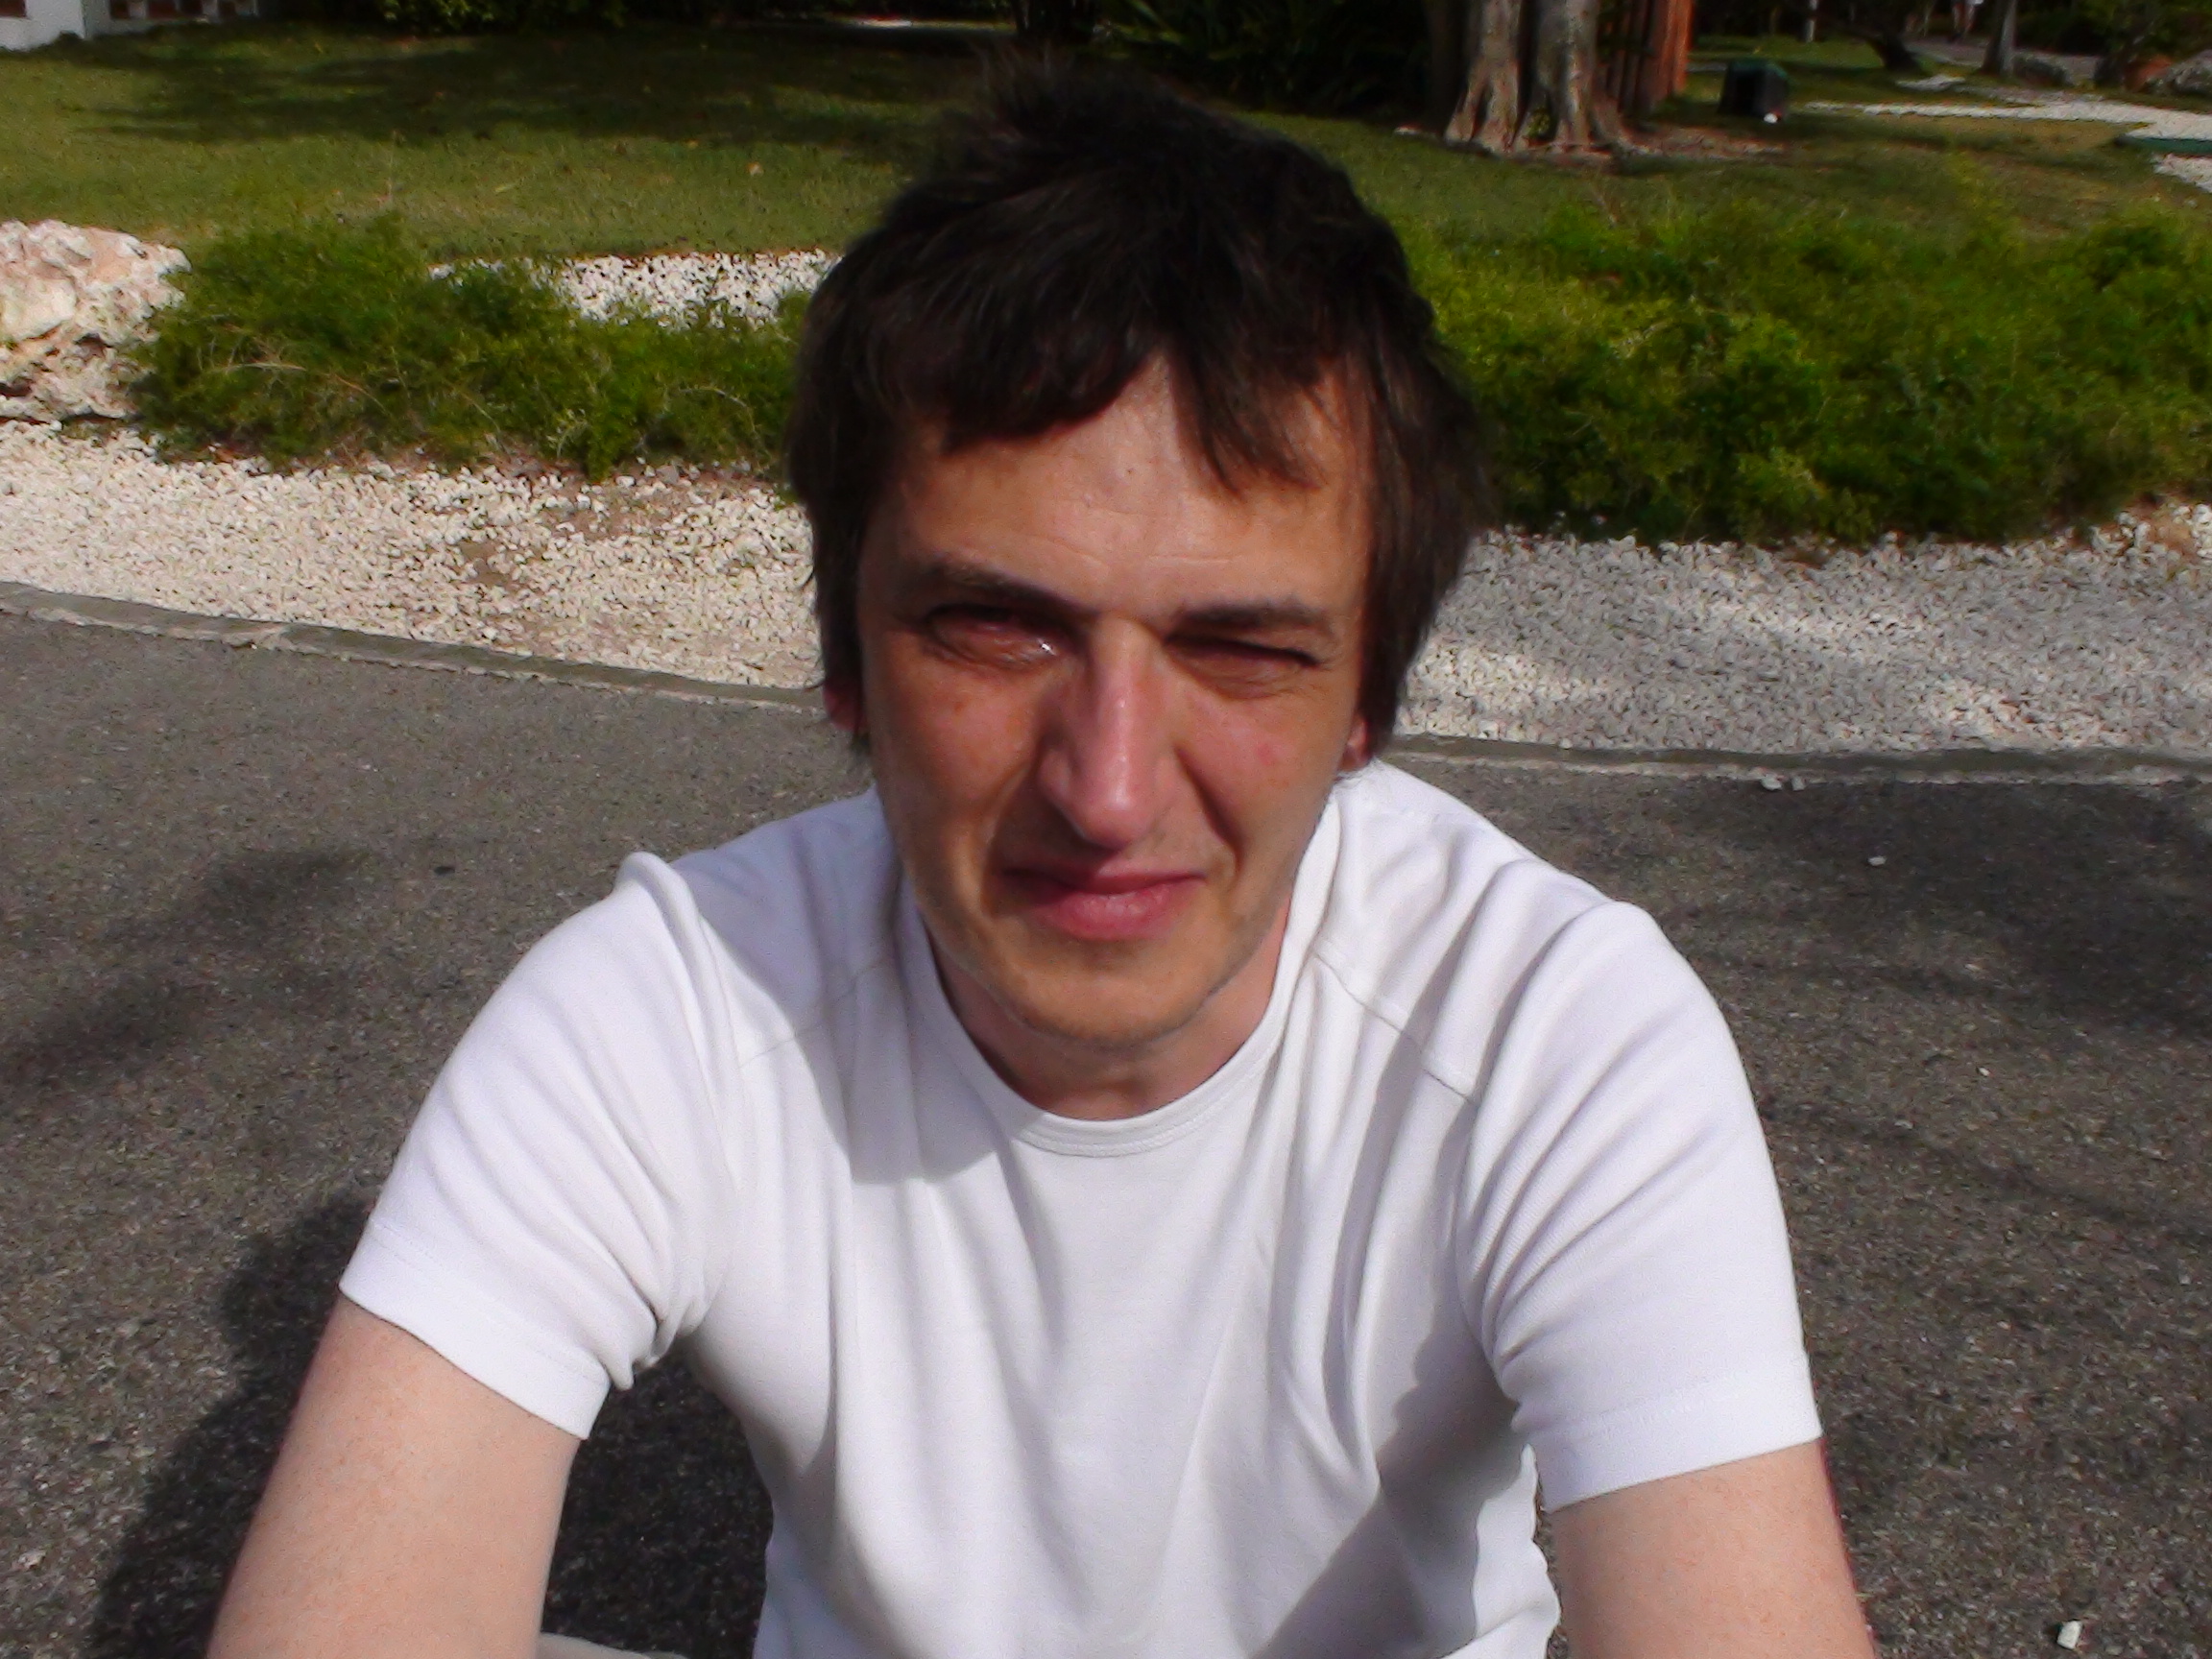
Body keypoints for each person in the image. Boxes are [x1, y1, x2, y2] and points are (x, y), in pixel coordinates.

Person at [207, 61, 1875, 1659]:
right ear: (845, 664)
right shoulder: (668, 1012)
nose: (1110, 786)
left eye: (1243, 649)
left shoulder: (1560, 1042)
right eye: (996, 628)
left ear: (1367, 704)